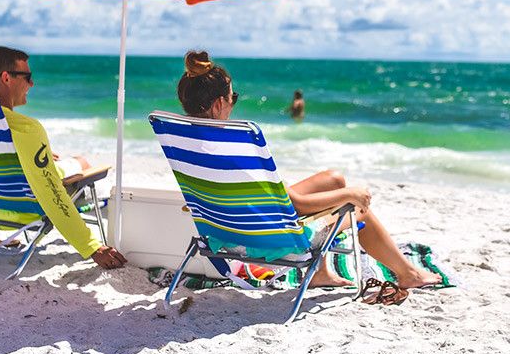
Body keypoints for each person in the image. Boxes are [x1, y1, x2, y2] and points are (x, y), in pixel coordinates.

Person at [176, 50, 440, 289]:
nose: (234, 103)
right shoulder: (237, 145)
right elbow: (298, 205)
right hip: (268, 242)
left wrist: (341, 189)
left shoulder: (187, 145)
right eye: (233, 97)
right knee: (358, 210)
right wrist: (350, 195)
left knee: (333, 179)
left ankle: (320, 274)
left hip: (223, 231)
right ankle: (409, 274)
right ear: (220, 104)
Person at [0, 46, 127, 270]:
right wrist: (91, 247)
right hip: (25, 207)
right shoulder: (28, 129)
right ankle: (83, 195)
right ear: (6, 78)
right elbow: (51, 195)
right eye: (27, 77)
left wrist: (39, 157)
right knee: (84, 165)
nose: (32, 84)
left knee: (72, 161)